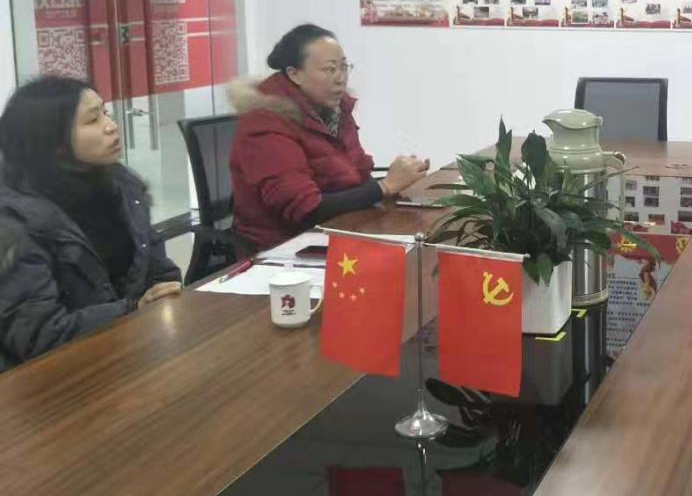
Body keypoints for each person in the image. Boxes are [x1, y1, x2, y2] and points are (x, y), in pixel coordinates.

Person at [0, 77, 182, 372]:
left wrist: (165, 294)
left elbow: (157, 270)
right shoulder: (14, 222)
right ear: (53, 142)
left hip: (127, 352)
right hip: (54, 379)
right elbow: (39, 335)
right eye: (93, 120)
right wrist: (132, 309)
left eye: (105, 112)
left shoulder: (121, 187)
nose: (111, 126)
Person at [229, 25, 429, 251]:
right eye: (330, 69)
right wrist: (385, 186)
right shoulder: (265, 124)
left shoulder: (335, 111)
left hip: (341, 228)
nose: (341, 79)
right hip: (286, 247)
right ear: (294, 74)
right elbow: (306, 209)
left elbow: (356, 175)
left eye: (344, 67)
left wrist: (399, 179)